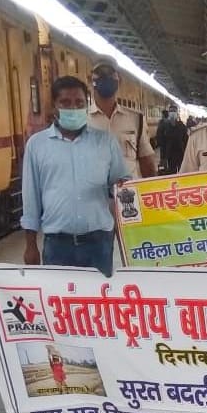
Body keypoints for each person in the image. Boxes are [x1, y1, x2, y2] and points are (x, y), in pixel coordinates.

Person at [21, 75, 131, 276]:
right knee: (59, 297)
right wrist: (30, 245)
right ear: (54, 107)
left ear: (86, 105)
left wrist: (121, 187)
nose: (73, 108)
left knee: (98, 296)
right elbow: (31, 198)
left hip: (99, 242)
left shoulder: (105, 142)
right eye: (65, 102)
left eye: (79, 103)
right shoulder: (36, 145)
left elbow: (122, 186)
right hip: (57, 244)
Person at [87, 56, 156, 178]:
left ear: (120, 80)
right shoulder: (81, 121)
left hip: (129, 189)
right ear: (90, 80)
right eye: (100, 73)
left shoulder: (136, 119)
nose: (105, 77)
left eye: (110, 74)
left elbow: (147, 163)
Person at [160, 104, 189, 175]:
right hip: (169, 155)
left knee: (182, 173)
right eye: (171, 111)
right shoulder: (164, 126)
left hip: (181, 154)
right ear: (169, 113)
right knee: (171, 173)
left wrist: (187, 154)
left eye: (174, 111)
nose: (172, 113)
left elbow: (186, 140)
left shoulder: (181, 126)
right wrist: (162, 158)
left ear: (177, 113)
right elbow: (161, 142)